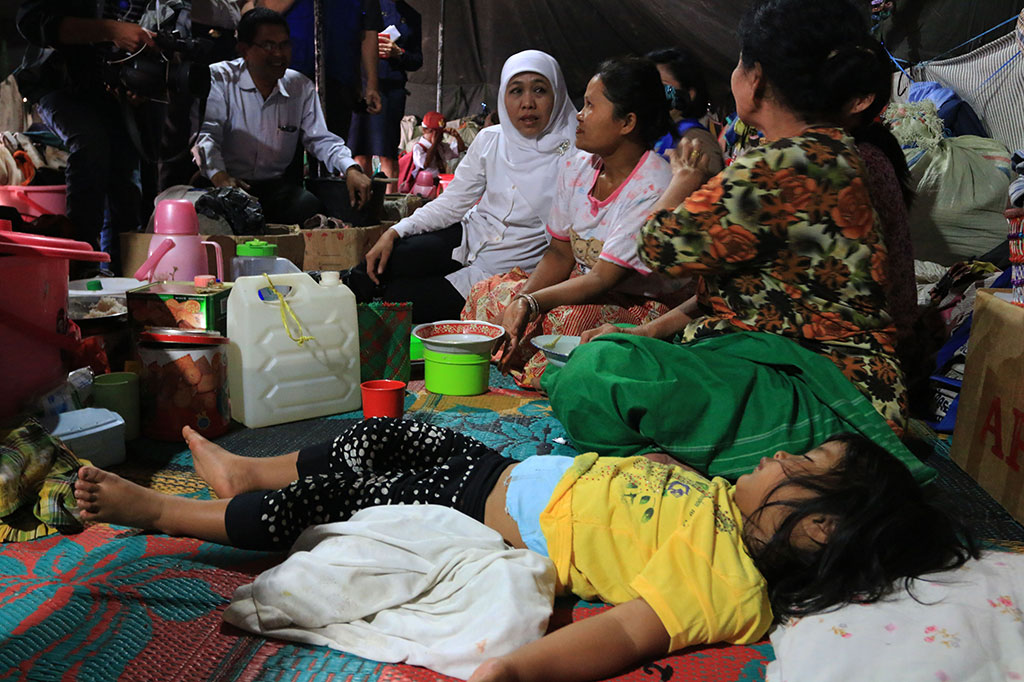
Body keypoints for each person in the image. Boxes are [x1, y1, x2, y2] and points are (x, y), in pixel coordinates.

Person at [73, 419, 976, 682]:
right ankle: (244, 469)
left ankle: (160, 511)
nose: (780, 455)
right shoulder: (717, 502)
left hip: (485, 510)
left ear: (816, 528)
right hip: (508, 466)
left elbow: (626, 635)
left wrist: (524, 672)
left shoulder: (726, 583)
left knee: (327, 505)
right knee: (388, 432)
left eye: (803, 464)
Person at [546, 0, 917, 481]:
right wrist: (647, 332)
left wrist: (679, 181)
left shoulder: (779, 165)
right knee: (617, 356)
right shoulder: (828, 150)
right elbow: (733, 293)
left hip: (826, 399)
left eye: (740, 62)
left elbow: (658, 245)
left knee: (593, 373)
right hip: (815, 380)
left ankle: (677, 469)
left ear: (757, 78)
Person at [461, 57, 692, 388]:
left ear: (626, 122)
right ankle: (533, 361)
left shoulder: (654, 184)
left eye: (589, 106)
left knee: (566, 322)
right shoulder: (578, 166)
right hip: (587, 288)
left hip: (640, 304)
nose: (579, 116)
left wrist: (530, 303)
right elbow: (559, 254)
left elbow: (602, 279)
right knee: (488, 294)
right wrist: (519, 302)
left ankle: (546, 368)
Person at [353, 50, 578, 324]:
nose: (527, 103)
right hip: (467, 237)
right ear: (503, 97)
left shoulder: (577, 155)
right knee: (372, 268)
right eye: (516, 91)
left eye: (540, 90)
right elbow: (452, 203)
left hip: (506, 270)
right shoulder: (491, 140)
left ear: (558, 94)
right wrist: (396, 231)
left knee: (398, 302)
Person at [193, 8, 372, 225]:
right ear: (244, 50)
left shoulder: (300, 86)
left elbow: (321, 139)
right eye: (268, 45)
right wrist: (219, 176)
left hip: (273, 188)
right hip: (222, 184)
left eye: (284, 45)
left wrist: (351, 168)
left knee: (309, 208)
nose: (278, 54)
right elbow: (208, 135)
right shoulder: (220, 78)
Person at [14, 0, 150, 268]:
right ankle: (80, 265)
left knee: (126, 172)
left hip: (116, 89)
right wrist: (111, 30)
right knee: (90, 143)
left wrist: (142, 82)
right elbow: (33, 23)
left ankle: (120, 273)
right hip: (60, 82)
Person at [249, 0, 385, 136]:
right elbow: (264, 13)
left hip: (339, 79)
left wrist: (371, 84)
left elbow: (368, 31)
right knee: (284, 146)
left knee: (331, 145)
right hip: (288, 77)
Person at [348, 0, 423, 191]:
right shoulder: (363, 8)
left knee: (387, 152)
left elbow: (417, 60)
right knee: (359, 150)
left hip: (392, 89)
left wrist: (399, 53)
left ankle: (389, 203)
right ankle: (360, 201)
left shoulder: (412, 15)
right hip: (362, 85)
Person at [646, 48, 724, 175]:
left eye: (661, 86)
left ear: (689, 94)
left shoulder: (696, 140)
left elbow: (712, 190)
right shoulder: (657, 135)